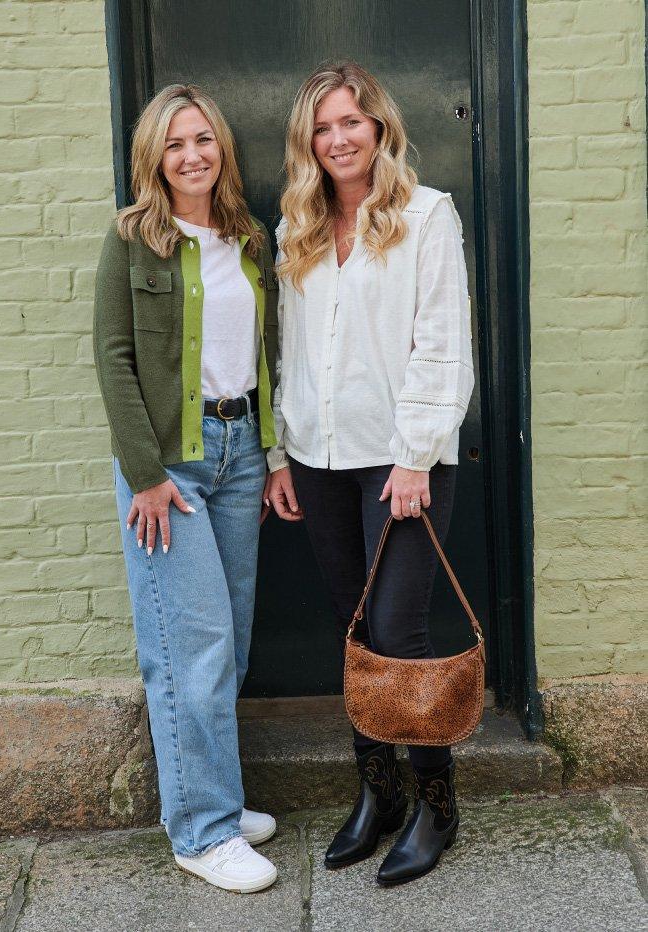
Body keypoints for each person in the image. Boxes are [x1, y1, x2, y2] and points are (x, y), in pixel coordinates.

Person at [267, 62, 474, 886]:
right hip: (319, 460)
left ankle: (437, 804)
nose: (338, 138)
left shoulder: (426, 218)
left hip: (401, 466)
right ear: (307, 144)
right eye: (322, 128)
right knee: (354, 630)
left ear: (379, 128)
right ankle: (378, 793)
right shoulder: (299, 227)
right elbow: (290, 350)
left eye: (352, 122)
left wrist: (418, 452)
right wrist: (282, 452)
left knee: (398, 633)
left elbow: (442, 342)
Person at [93, 83, 281, 893]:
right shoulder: (133, 239)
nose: (192, 155)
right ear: (154, 159)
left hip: (241, 454)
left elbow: (266, 355)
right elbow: (114, 357)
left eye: (203, 139)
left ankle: (215, 797)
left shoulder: (248, 237)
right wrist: (143, 475)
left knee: (228, 642)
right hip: (168, 468)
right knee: (188, 648)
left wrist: (272, 458)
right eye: (175, 144)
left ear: (221, 149)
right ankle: (201, 833)